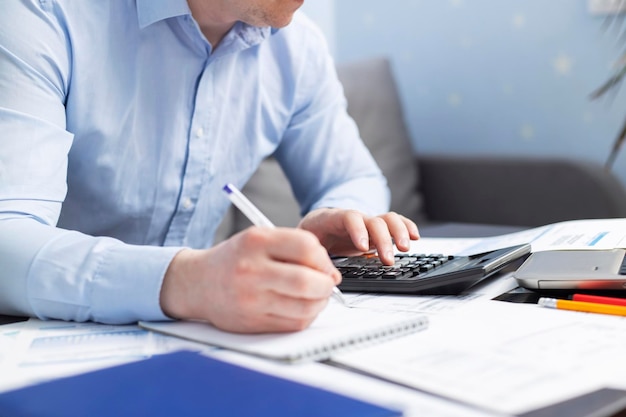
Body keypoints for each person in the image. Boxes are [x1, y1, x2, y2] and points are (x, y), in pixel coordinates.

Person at [0, 0, 419, 334]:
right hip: (35, 336)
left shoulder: (299, 49)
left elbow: (353, 178)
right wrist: (189, 283)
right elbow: (6, 239)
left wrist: (340, 217)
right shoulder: (42, 14)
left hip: (204, 338)